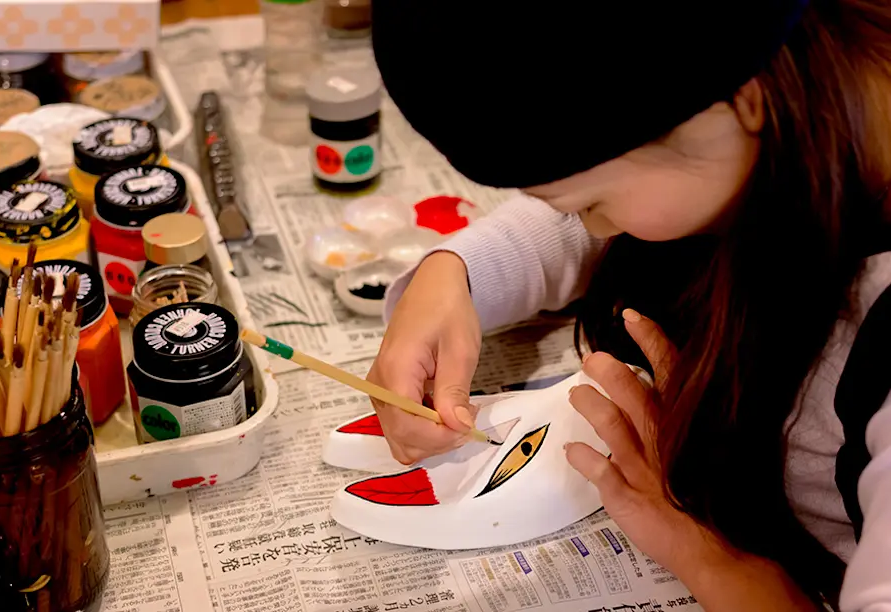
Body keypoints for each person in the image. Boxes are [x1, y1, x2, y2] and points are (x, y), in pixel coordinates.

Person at [366, 1, 891, 610]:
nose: (590, 226)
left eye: (591, 203)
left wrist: (707, 556)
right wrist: (452, 274)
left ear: (741, 99)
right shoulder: (785, 95)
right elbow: (614, 184)